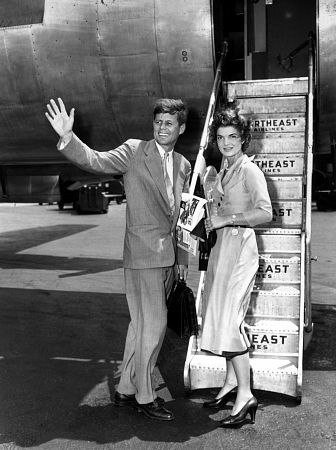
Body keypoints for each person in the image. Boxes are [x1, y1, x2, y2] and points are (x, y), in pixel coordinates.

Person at [45, 97, 191, 421]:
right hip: (142, 253)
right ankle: (145, 394)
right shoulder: (134, 151)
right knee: (155, 325)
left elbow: (180, 219)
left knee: (141, 326)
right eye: (158, 122)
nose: (161, 128)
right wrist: (69, 138)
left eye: (169, 123)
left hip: (169, 258)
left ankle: (125, 388)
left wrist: (182, 260)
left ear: (181, 127)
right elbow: (96, 161)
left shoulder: (183, 164)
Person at [198, 105, 272, 428]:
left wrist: (227, 218)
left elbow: (265, 212)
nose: (226, 143)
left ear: (243, 139)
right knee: (219, 317)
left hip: (241, 249)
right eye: (221, 137)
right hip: (221, 250)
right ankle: (230, 383)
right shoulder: (224, 169)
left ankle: (246, 396)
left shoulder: (248, 170)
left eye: (232, 137)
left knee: (230, 322)